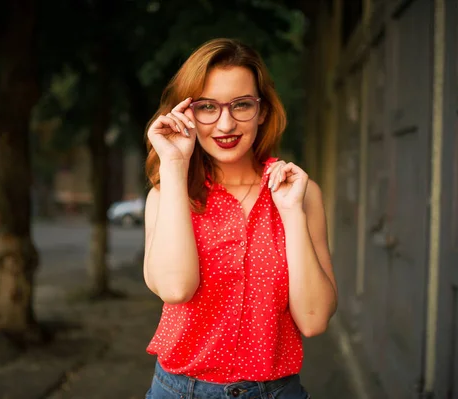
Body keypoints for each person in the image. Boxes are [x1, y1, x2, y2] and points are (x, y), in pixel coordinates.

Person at [143, 38, 337, 399]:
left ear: (262, 111)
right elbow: (175, 289)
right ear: (186, 113)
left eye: (241, 105)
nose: (226, 123)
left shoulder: (299, 193)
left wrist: (291, 213)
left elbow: (313, 320)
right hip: (179, 391)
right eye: (207, 107)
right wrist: (173, 165)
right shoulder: (167, 195)